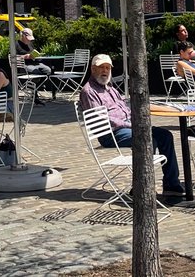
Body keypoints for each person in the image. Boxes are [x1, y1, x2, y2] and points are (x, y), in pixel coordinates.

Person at [78, 53, 184, 197]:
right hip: (111, 133)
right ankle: (141, 186)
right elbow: (102, 119)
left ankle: (172, 184)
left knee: (165, 135)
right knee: (147, 139)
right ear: (93, 69)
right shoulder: (89, 91)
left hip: (128, 127)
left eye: (107, 68)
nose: (105, 71)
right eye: (101, 67)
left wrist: (140, 118)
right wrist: (132, 125)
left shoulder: (111, 89)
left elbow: (126, 109)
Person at [16, 27, 52, 104]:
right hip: (25, 65)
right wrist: (25, 57)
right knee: (36, 72)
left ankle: (37, 87)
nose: (29, 40)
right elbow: (13, 57)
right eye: (28, 38)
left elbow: (34, 53)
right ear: (23, 36)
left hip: (35, 63)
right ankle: (34, 93)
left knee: (48, 70)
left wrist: (37, 55)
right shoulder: (16, 45)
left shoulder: (30, 44)